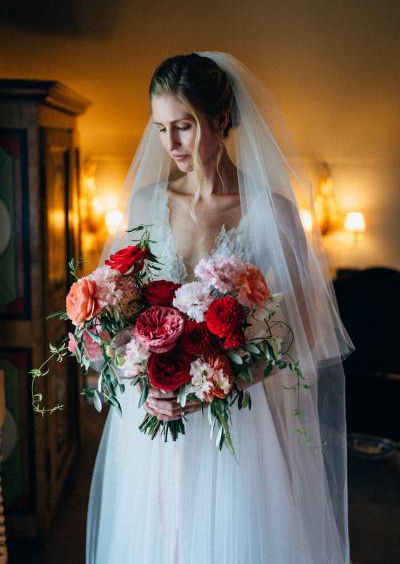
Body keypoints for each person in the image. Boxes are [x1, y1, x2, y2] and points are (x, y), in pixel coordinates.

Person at [86, 52, 354, 564]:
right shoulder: (144, 203)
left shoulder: (270, 211)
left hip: (238, 419)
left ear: (222, 119)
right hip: (153, 423)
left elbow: (306, 326)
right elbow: (120, 313)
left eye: (183, 126)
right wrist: (135, 374)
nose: (171, 144)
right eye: (161, 128)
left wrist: (218, 383)